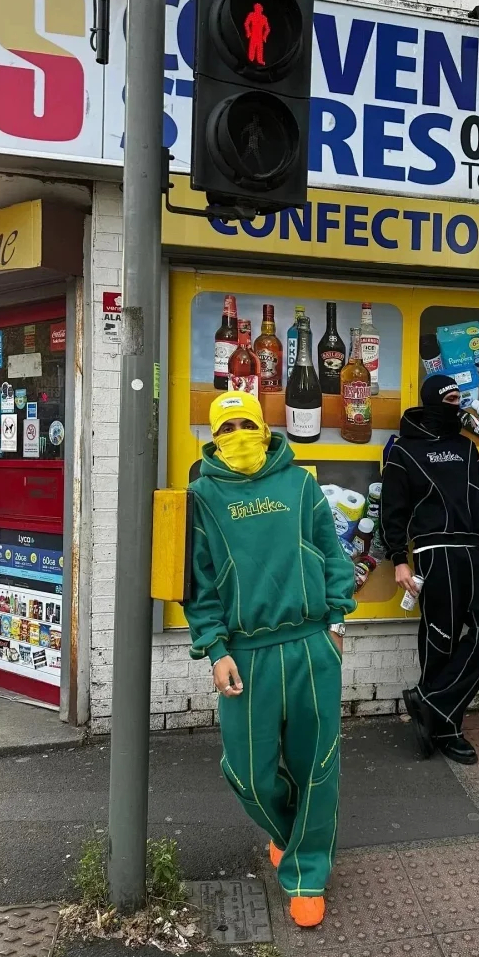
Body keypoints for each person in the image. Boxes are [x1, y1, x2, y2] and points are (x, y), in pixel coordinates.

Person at [184, 391, 355, 928]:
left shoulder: (301, 485)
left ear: (263, 427)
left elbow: (332, 554)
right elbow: (199, 584)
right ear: (214, 437)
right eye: (226, 427)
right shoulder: (201, 495)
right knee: (249, 775)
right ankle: (290, 831)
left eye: (245, 424)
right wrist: (215, 649)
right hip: (246, 655)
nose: (237, 434)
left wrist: (337, 622)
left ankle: (307, 875)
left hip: (310, 645)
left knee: (318, 766)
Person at [380, 374, 479, 765]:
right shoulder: (403, 450)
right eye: (450, 399)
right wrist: (399, 559)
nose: (457, 405)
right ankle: (447, 728)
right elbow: (392, 509)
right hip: (434, 551)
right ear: (433, 402)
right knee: (441, 641)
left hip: (477, 549)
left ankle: (430, 702)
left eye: (458, 398)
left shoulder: (466, 447)